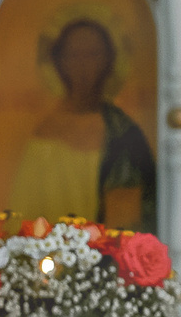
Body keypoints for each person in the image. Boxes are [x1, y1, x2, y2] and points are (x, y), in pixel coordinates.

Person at [8, 18, 157, 230]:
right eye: (74, 55)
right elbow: (23, 211)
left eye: (93, 54)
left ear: (109, 61)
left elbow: (142, 209)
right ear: (59, 62)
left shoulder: (123, 132)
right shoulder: (43, 135)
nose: (83, 65)